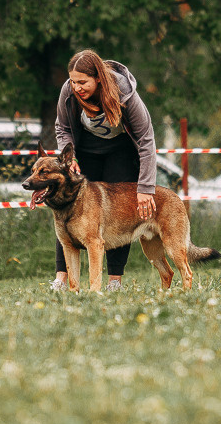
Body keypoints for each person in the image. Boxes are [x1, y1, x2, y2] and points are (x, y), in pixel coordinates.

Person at [50, 49, 157, 291]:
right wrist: (70, 156)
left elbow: (146, 139)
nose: (76, 87)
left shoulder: (124, 93)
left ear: (98, 78)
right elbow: (62, 127)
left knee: (118, 212)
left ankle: (114, 282)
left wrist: (145, 188)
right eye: (73, 81)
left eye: (83, 82)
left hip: (121, 151)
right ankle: (61, 279)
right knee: (69, 208)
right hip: (85, 151)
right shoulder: (68, 91)